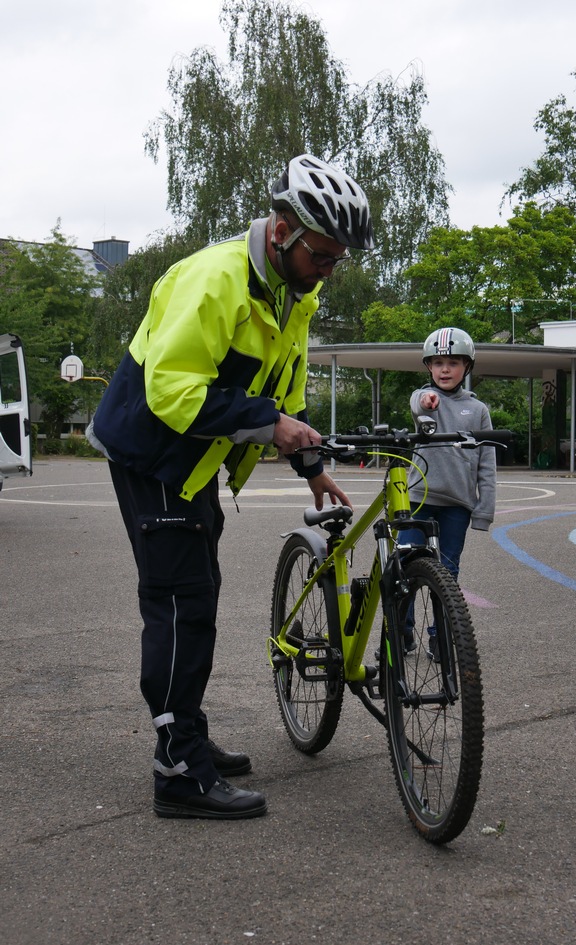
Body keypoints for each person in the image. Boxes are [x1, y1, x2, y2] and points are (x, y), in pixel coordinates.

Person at [87, 154, 373, 820]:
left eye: (337, 259)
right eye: (324, 255)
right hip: (152, 449)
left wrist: (311, 464)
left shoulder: (295, 289)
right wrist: (265, 423)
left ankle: (186, 732)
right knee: (181, 603)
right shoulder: (214, 281)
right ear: (282, 231)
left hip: (193, 456)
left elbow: (286, 382)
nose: (330, 269)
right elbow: (171, 389)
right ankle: (179, 767)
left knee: (199, 593)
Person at [398, 327, 496, 660]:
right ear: (428, 366)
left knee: (448, 573)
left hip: (457, 506)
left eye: (452, 362)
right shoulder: (425, 400)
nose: (444, 369)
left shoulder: (478, 410)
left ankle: (440, 636)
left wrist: (484, 510)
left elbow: (486, 464)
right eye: (437, 362)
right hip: (418, 500)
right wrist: (425, 401)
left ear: (466, 367)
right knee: (405, 565)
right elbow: (417, 404)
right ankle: (402, 629)